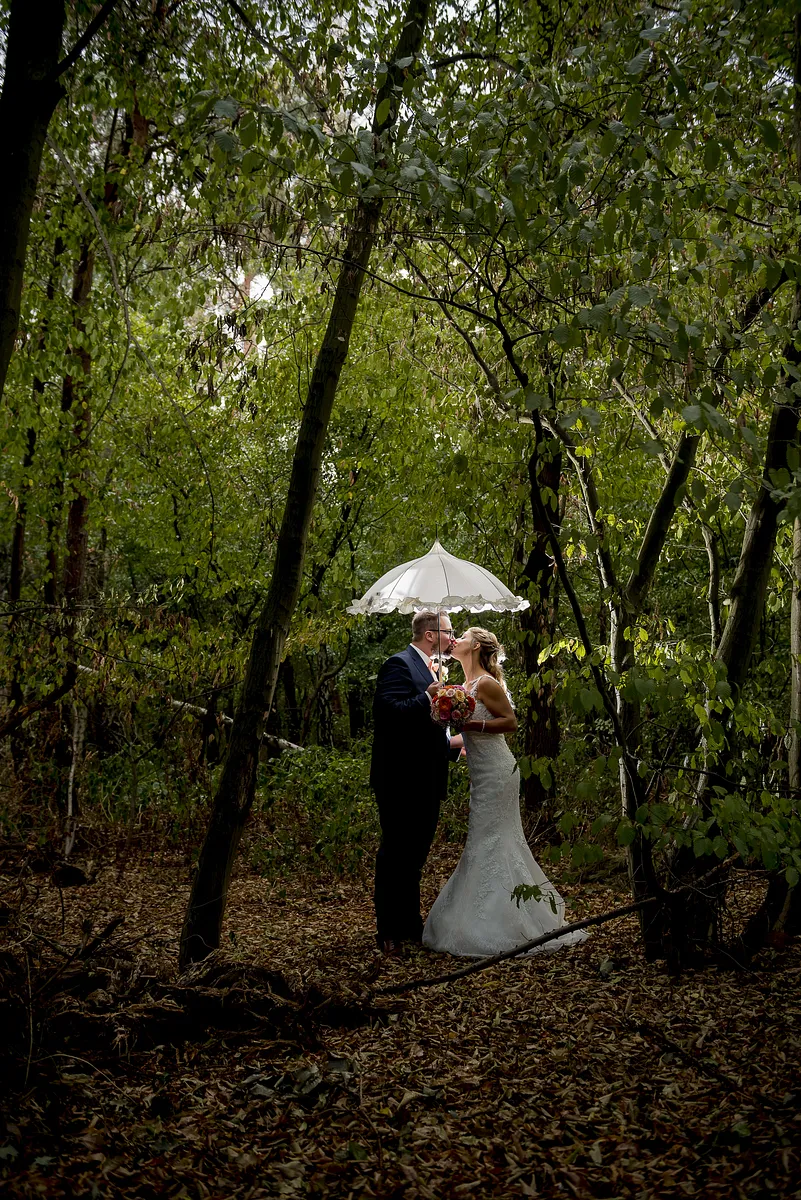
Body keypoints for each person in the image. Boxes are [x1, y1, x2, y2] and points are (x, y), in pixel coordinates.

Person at [422, 627, 588, 958]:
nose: (457, 639)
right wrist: (437, 704)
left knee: (490, 840)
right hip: (480, 774)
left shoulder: (484, 683)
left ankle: (500, 921)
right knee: (486, 839)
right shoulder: (464, 687)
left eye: (465, 636)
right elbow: (457, 736)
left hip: (498, 772)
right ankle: (497, 909)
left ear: (477, 647)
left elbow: (510, 722)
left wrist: (471, 725)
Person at [371, 608, 461, 956]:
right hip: (399, 779)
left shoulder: (433, 668)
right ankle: (388, 931)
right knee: (395, 854)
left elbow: (428, 729)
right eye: (448, 631)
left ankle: (410, 924)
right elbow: (388, 713)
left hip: (428, 777)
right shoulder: (398, 664)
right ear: (429, 634)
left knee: (415, 856)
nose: (452, 637)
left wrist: (452, 749)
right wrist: (428, 696)